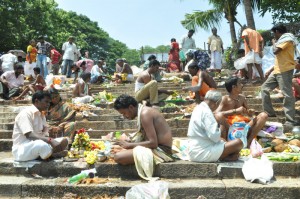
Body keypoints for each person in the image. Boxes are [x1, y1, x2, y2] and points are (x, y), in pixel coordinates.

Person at [113, 94, 173, 165]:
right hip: (156, 147)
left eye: (124, 113)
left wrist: (129, 145)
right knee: (116, 151)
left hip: (162, 151)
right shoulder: (143, 111)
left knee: (118, 157)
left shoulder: (145, 113)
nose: (124, 116)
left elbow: (153, 143)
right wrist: (130, 143)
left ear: (131, 107)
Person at [188, 90, 243, 162]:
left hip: (194, 150)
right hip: (202, 152)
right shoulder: (207, 112)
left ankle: (227, 155)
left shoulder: (198, 108)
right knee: (239, 143)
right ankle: (225, 157)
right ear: (216, 103)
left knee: (224, 138)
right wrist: (220, 135)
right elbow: (214, 137)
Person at [12, 91, 69, 161]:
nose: (48, 104)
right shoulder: (25, 114)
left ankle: (47, 154)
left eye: (49, 102)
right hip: (22, 149)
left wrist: (49, 135)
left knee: (65, 140)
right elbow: (29, 135)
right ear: (37, 101)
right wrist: (50, 140)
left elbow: (45, 133)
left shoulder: (42, 115)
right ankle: (50, 154)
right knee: (42, 145)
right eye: (46, 102)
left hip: (38, 145)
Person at [261, 24, 298, 127]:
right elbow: (279, 59)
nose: (274, 36)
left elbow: (275, 51)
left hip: (285, 70)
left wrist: (274, 43)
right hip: (277, 70)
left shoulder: (287, 39)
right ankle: (270, 113)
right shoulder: (281, 41)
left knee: (287, 94)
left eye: (274, 33)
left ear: (277, 31)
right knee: (264, 88)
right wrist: (270, 70)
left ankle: (290, 120)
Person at [216, 77, 268, 147]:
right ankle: (227, 143)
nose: (242, 85)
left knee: (263, 115)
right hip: (230, 127)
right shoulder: (225, 99)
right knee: (220, 117)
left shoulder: (242, 98)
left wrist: (250, 112)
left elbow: (248, 113)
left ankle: (248, 142)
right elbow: (216, 114)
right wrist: (234, 111)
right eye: (239, 83)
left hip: (244, 126)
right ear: (234, 87)